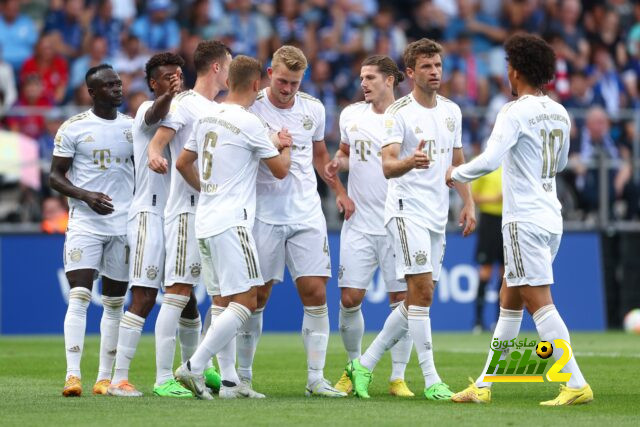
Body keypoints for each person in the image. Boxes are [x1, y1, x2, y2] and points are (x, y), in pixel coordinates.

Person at [446, 34, 593, 406]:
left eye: (509, 65)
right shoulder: (560, 112)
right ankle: (484, 384)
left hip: (523, 219)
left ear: (515, 71)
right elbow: (558, 165)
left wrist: (455, 174)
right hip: (550, 214)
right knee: (509, 297)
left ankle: (575, 383)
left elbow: (491, 159)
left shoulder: (513, 111)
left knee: (537, 300)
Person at [346, 38, 476, 400]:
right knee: (423, 293)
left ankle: (365, 364)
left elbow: (458, 161)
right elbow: (388, 165)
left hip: (437, 214)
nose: (434, 72)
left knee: (419, 299)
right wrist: (410, 162)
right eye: (426, 67)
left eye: (437, 65)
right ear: (409, 73)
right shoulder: (398, 114)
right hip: (405, 211)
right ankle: (432, 379)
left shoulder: (452, 111)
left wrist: (468, 202)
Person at [174, 55, 291, 400]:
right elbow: (281, 170)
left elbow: (183, 163)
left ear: (229, 82)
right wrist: (286, 143)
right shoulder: (250, 123)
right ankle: (195, 366)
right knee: (248, 300)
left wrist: (209, 190)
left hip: (206, 220)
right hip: (232, 222)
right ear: (257, 85)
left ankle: (227, 384)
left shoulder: (207, 115)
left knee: (223, 302)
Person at [242, 45, 353, 397]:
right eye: (283, 81)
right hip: (263, 214)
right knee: (256, 296)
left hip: (306, 213)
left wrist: (338, 189)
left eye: (295, 83)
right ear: (270, 72)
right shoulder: (250, 106)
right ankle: (242, 378)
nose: (288, 89)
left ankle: (315, 379)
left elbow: (320, 156)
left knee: (315, 292)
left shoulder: (313, 109)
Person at [107, 52, 199, 398]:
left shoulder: (188, 115)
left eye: (178, 73)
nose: (175, 79)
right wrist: (169, 96)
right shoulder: (148, 111)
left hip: (178, 214)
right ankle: (119, 379)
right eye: (166, 77)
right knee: (144, 296)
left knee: (185, 296)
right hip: (149, 214)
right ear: (153, 83)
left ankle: (194, 372)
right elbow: (158, 111)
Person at [324, 55, 414, 397]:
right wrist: (338, 169)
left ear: (390, 80)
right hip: (359, 221)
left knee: (401, 299)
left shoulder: (405, 116)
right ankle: (353, 367)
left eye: (371, 77)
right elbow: (347, 154)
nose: (363, 83)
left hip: (396, 221)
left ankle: (398, 377)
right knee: (350, 298)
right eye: (362, 77)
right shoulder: (352, 115)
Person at [147, 40, 230, 396]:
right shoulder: (185, 103)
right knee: (178, 290)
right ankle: (164, 377)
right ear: (216, 68)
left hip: (210, 213)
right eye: (228, 66)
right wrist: (154, 154)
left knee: (212, 294)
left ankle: (201, 366)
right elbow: (159, 139)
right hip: (185, 212)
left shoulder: (216, 108)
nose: (229, 72)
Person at [50, 64, 133, 397]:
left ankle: (103, 378)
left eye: (118, 83)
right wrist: (86, 196)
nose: (117, 89)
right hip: (86, 223)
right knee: (80, 295)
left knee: (114, 303)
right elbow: (54, 176)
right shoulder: (73, 128)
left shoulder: (132, 128)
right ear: (92, 91)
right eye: (109, 85)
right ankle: (72, 376)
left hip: (123, 224)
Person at [470, 166, 503, 333]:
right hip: (489, 221)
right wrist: (495, 199)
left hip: (508, 220)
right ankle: (478, 321)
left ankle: (500, 321)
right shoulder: (484, 165)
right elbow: (472, 197)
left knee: (505, 275)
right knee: (485, 271)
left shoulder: (512, 164)